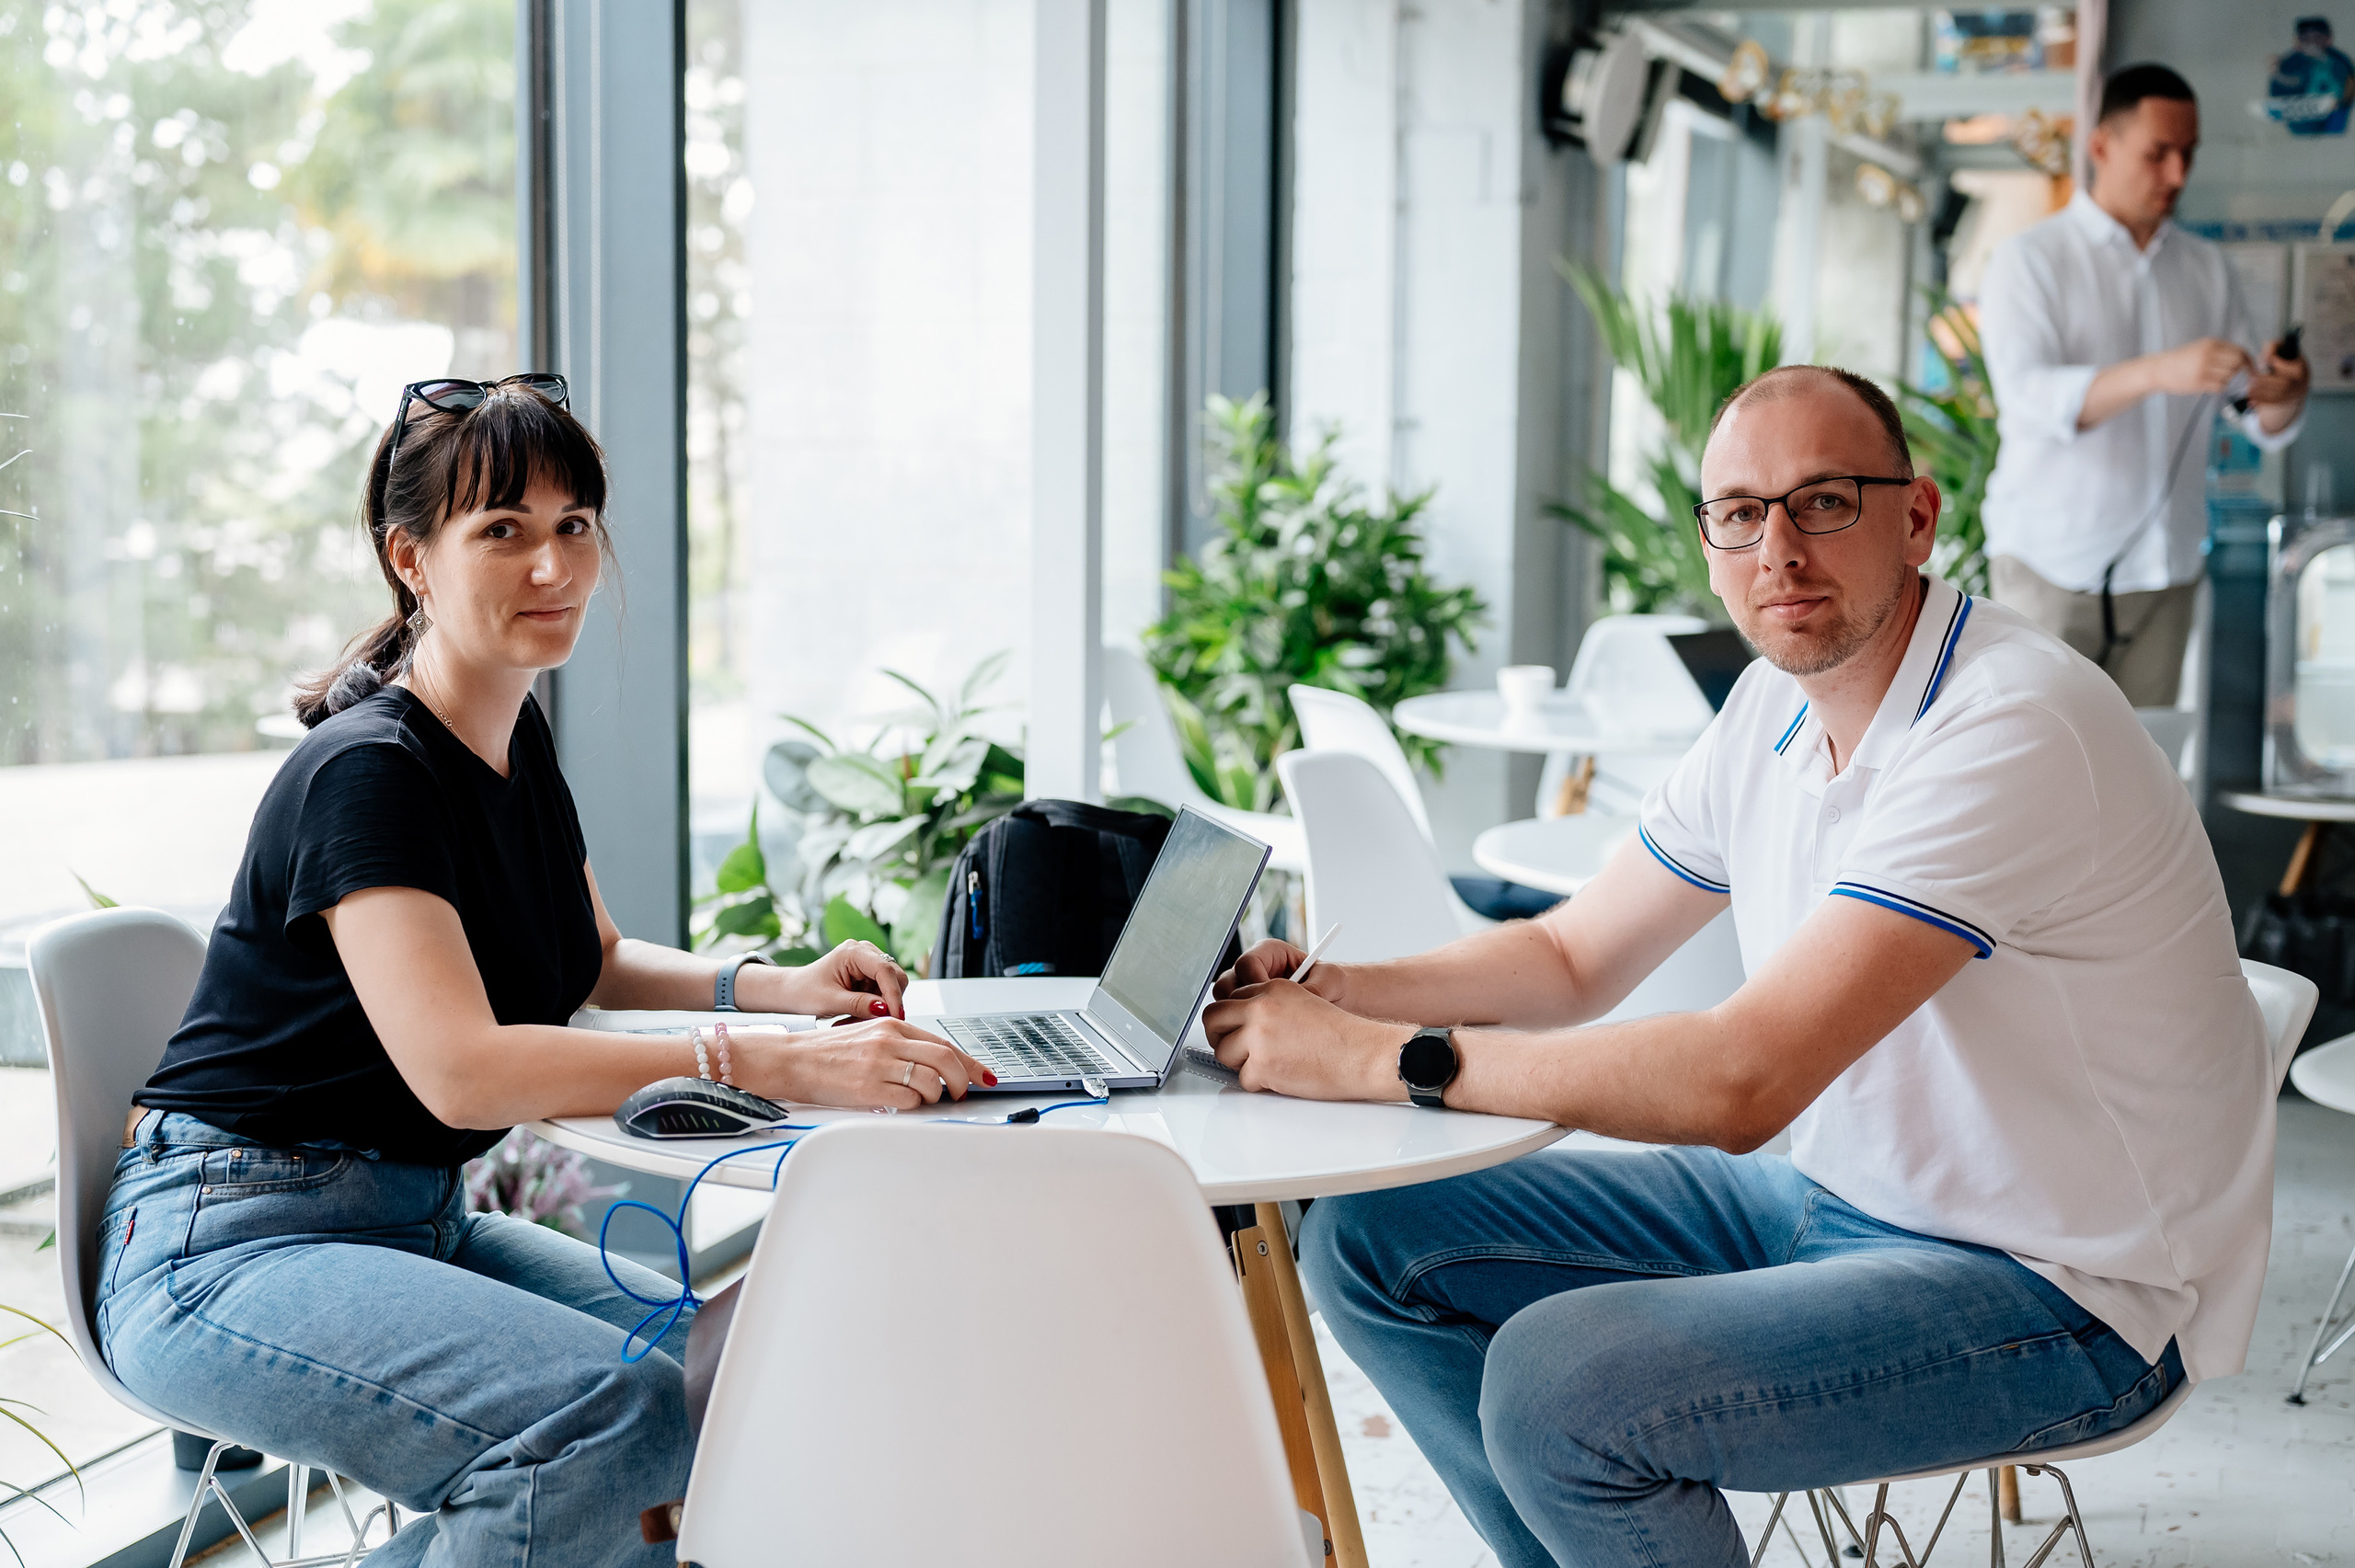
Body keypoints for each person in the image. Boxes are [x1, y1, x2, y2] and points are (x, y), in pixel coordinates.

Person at [1202, 366, 2272, 1567]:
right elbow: (1570, 953)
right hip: (1839, 1198)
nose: (1779, 550)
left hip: (2062, 1289)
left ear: (1916, 518)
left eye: (1824, 501)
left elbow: (1743, 1080)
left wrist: (1375, 1060)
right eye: (1740, 513)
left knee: (1562, 1386)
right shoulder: (1772, 702)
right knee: (1368, 1244)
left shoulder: (2011, 723)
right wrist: (1336, 994)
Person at [95, 375, 990, 1566]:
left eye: (574, 526)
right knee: (613, 1421)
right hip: (231, 1242)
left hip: (413, 1223)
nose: (554, 566)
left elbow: (599, 957)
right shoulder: (370, 772)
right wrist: (776, 1062)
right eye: (504, 530)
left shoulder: (513, 733)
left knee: (733, 1389)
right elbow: (464, 1072)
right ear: (410, 556)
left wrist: (781, 986)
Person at [1978, 62, 2309, 706]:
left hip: (2167, 573)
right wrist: (2160, 370)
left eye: (2189, 153)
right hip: (2051, 569)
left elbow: (2252, 412)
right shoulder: (2030, 259)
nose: (2178, 175)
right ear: (2101, 145)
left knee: (2147, 760)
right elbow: (2027, 399)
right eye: (2159, 154)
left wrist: (2286, 393)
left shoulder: (2207, 268)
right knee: (2037, 757)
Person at [2269, 17, 2354, 136]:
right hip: (2309, 113)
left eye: (2317, 38)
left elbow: (2349, 84)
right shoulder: (2298, 65)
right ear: (2298, 42)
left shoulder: (2337, 62)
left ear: (2327, 40)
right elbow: (2294, 81)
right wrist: (2276, 73)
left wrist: (2342, 102)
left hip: (2334, 111)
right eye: (2306, 39)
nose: (2311, 43)